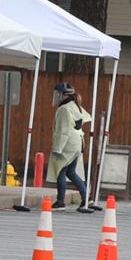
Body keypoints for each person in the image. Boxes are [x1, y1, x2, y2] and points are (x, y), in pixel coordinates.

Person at [47, 82, 96, 212]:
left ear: (64, 95)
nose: (56, 97)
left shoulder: (64, 109)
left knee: (61, 172)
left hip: (67, 144)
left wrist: (57, 148)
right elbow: (84, 119)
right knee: (71, 172)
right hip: (77, 142)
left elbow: (63, 131)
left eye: (58, 94)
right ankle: (86, 198)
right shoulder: (75, 106)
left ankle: (60, 201)